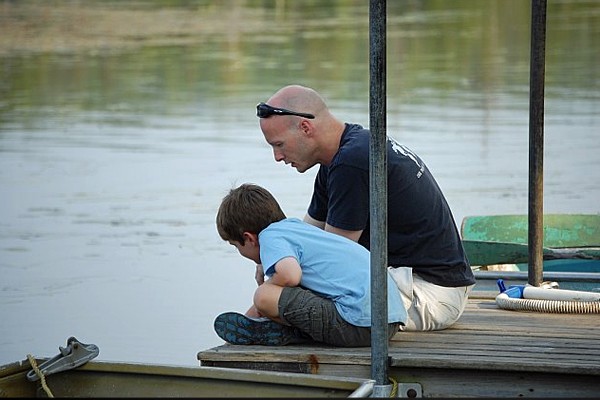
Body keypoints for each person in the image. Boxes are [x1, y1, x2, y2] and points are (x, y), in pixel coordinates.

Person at [256, 85, 476, 331]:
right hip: (410, 283)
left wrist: (274, 279)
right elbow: (305, 236)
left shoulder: (353, 162)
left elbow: (331, 259)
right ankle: (266, 323)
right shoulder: (342, 155)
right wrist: (271, 259)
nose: (277, 156)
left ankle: (271, 327)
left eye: (279, 145)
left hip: (430, 293)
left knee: (291, 290)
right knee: (287, 283)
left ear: (306, 128)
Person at [214, 183, 406, 346]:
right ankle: (270, 326)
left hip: (360, 325)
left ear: (248, 238)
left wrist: (266, 287)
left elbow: (290, 276)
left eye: (234, 245)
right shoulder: (296, 228)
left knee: (264, 295)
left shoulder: (270, 236)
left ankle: (292, 333)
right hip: (387, 322)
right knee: (275, 295)